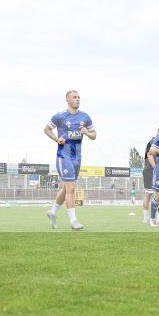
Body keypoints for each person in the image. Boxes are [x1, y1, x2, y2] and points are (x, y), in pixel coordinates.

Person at [43, 90, 96, 231]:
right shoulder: (60, 116)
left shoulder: (85, 117)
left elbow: (94, 135)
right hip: (63, 155)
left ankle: (53, 212)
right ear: (67, 100)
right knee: (71, 188)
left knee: (66, 188)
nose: (77, 99)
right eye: (74, 97)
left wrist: (87, 133)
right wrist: (56, 139)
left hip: (77, 157)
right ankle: (73, 221)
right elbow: (47, 129)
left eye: (79, 97)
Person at [141, 128, 159, 223]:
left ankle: (147, 218)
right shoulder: (153, 142)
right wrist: (157, 169)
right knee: (155, 194)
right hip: (151, 171)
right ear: (157, 133)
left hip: (152, 170)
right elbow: (150, 155)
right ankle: (156, 217)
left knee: (152, 194)